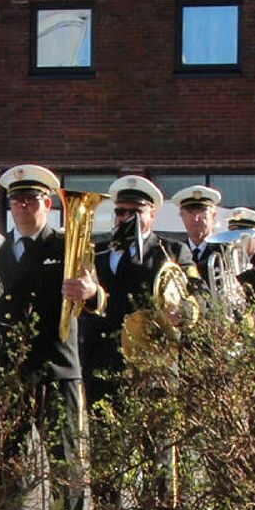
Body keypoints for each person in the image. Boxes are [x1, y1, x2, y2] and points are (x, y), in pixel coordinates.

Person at [0, 164, 101, 510]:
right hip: (8, 367)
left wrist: (91, 293)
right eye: (16, 200)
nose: (23, 207)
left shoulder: (66, 243)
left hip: (56, 365)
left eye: (31, 200)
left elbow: (97, 295)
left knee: (66, 458)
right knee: (7, 456)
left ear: (47, 203)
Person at [79, 175, 169, 408]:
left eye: (136, 212)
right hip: (100, 358)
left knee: (151, 440)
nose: (126, 217)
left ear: (152, 214)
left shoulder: (168, 251)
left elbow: (191, 292)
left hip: (148, 360)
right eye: (120, 212)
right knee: (102, 438)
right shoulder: (97, 251)